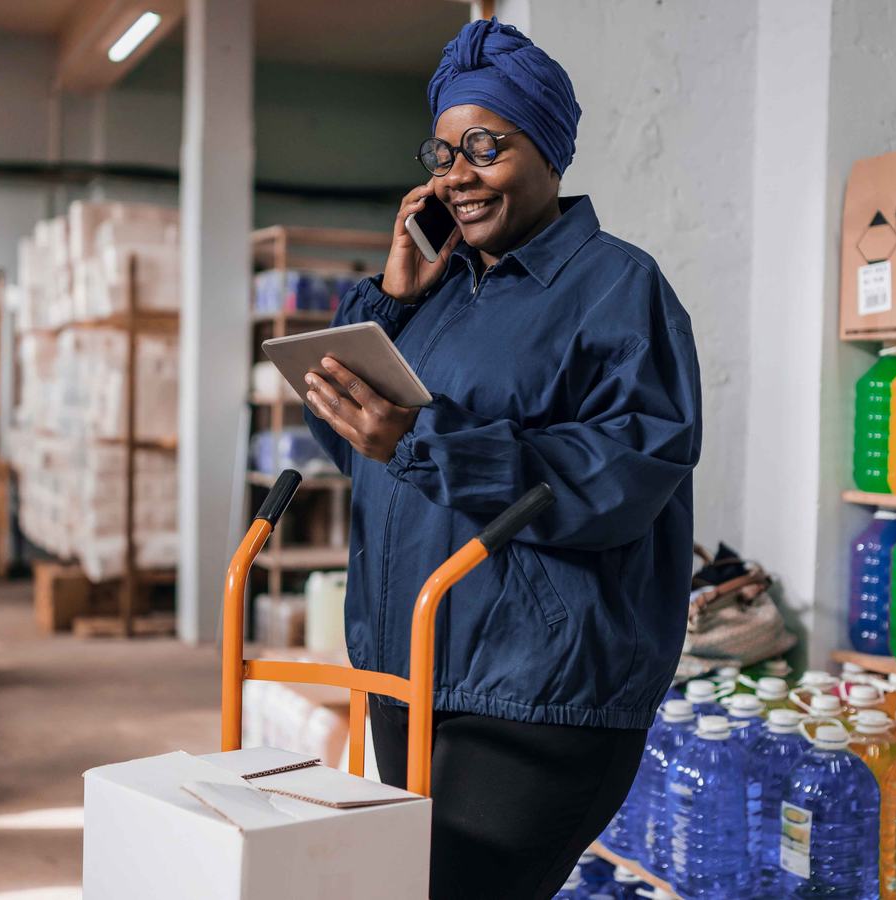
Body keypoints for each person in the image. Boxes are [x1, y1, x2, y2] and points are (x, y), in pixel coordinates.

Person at [302, 18, 701, 899]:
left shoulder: (617, 288)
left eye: (487, 145)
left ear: (550, 152)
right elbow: (365, 455)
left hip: (538, 689)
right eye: (444, 152)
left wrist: (422, 438)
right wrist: (393, 304)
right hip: (411, 670)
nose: (458, 174)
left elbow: (622, 476)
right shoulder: (438, 297)